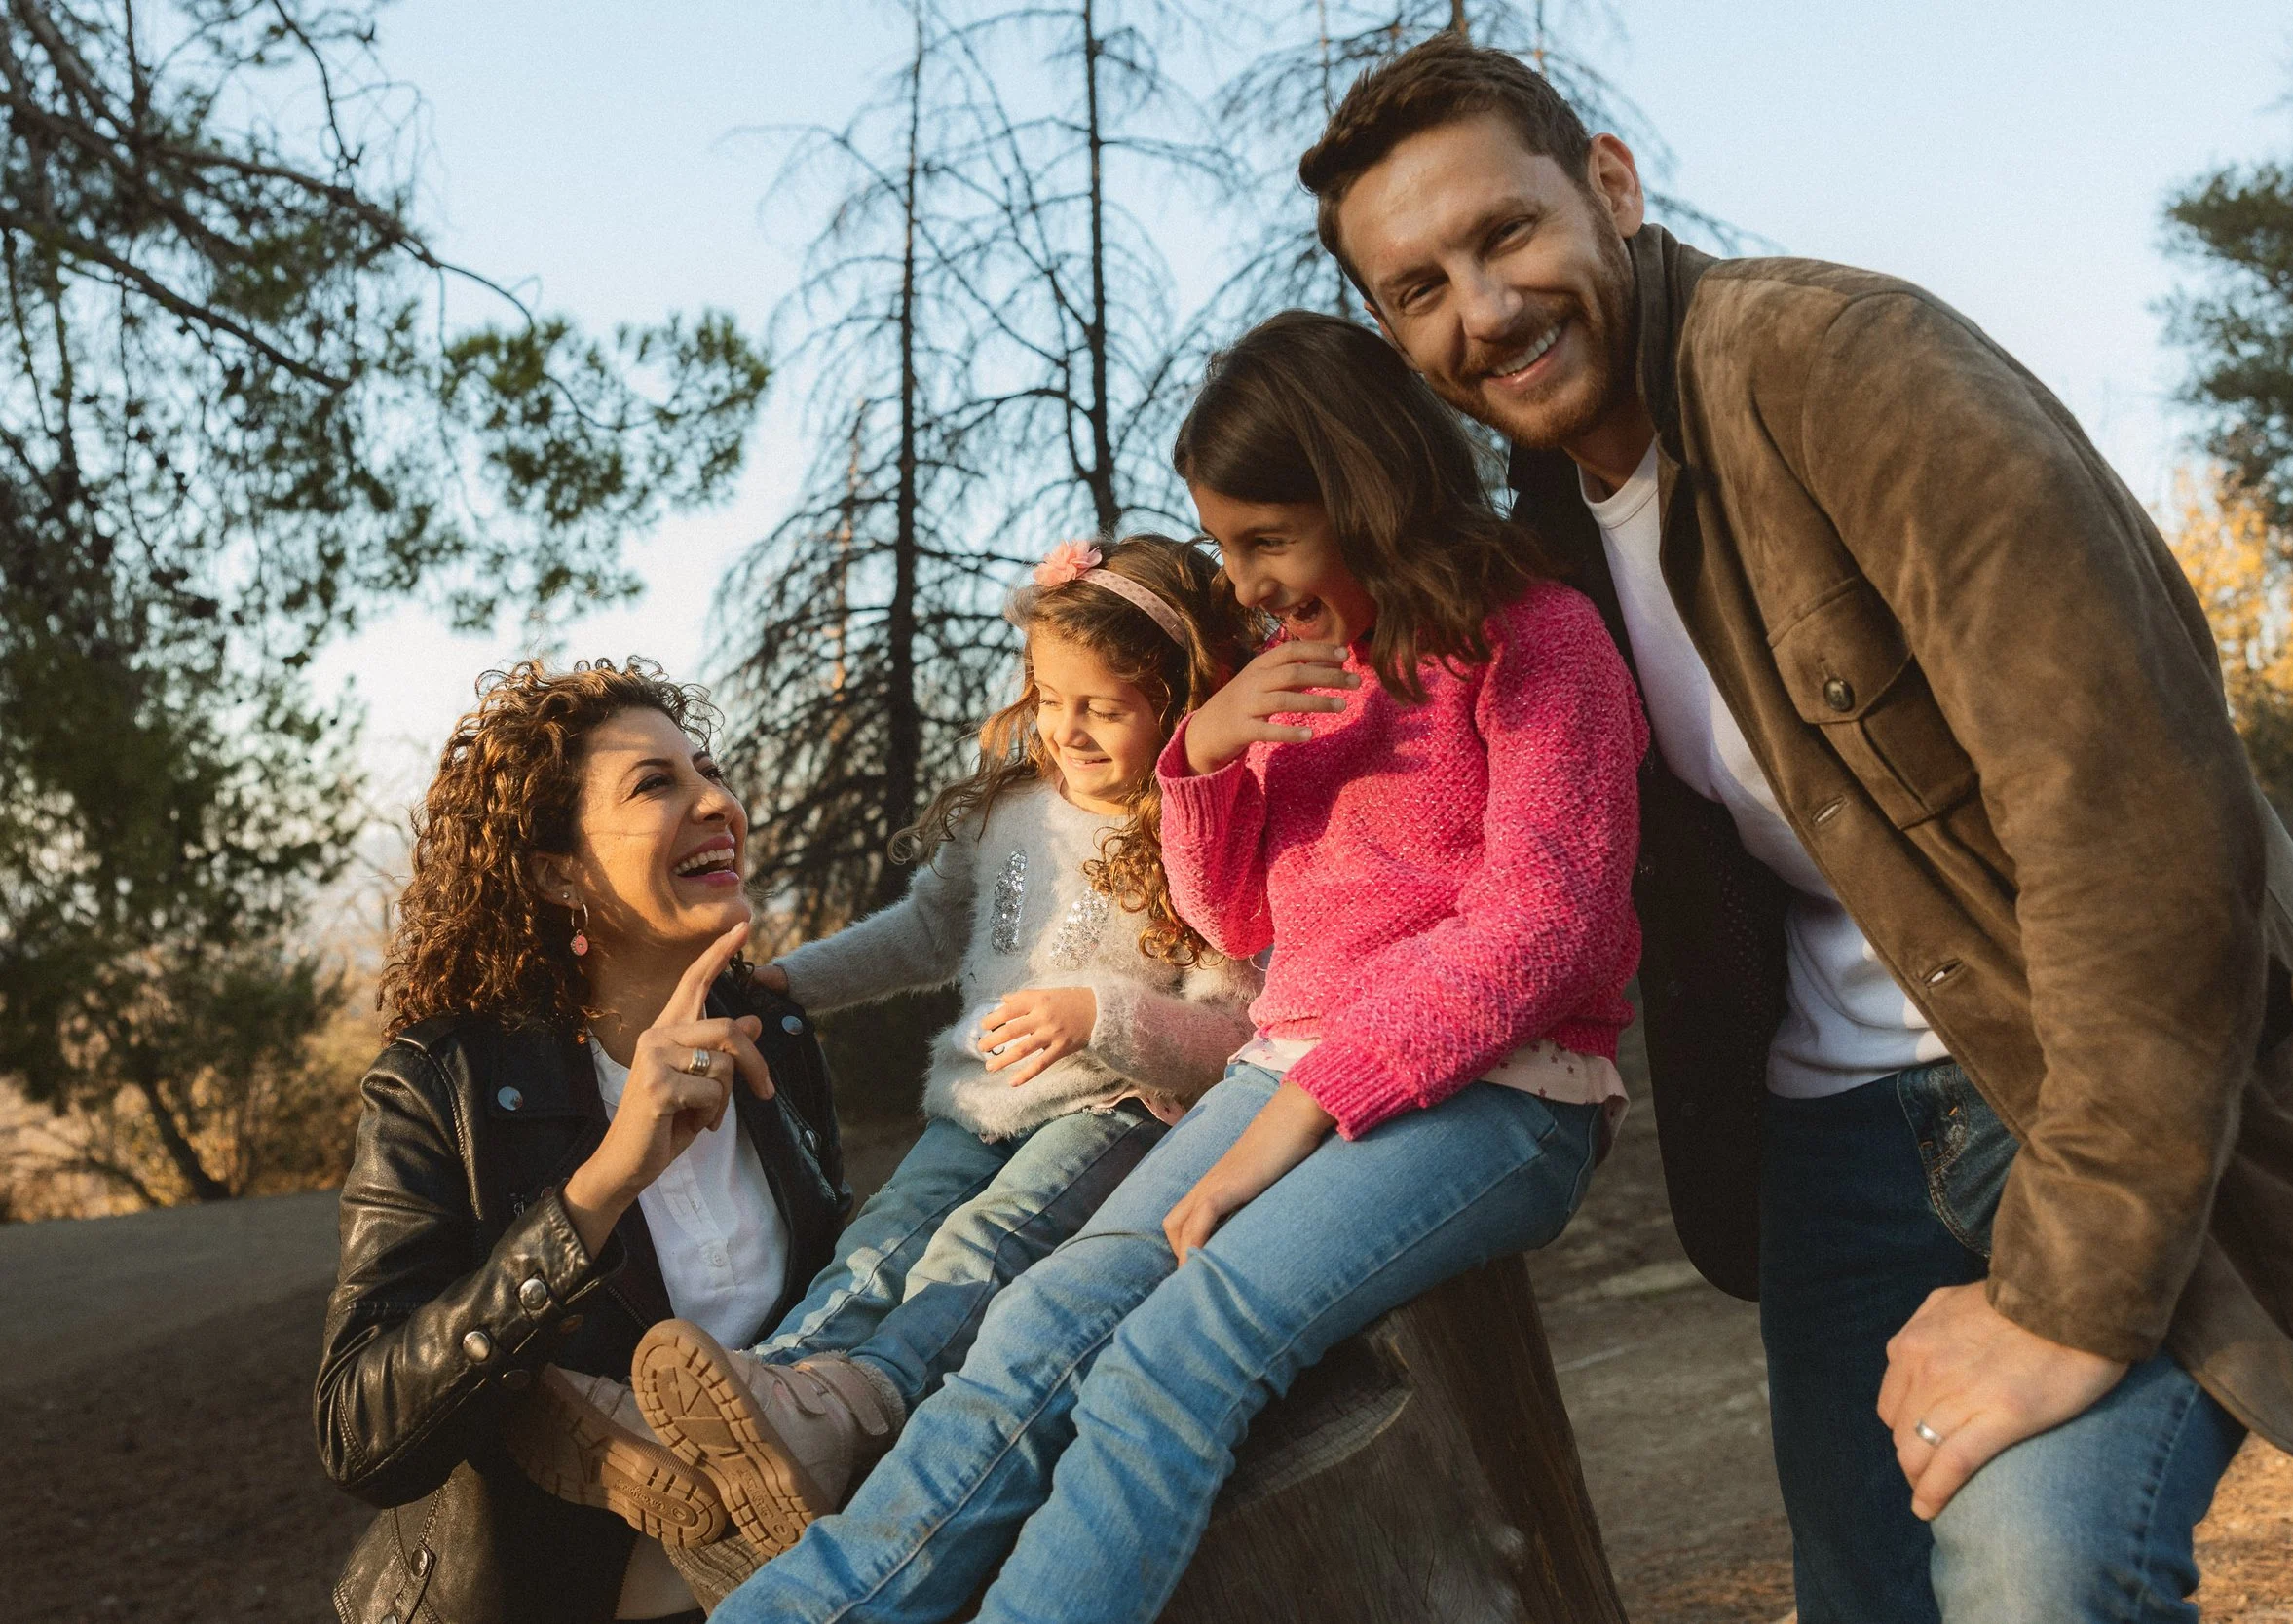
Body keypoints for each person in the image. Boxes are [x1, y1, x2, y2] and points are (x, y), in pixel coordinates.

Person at [1297, 33, 2293, 1624]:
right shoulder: (1541, 544)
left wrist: (2072, 1287)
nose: (1479, 308)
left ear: (1610, 188)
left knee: (2041, 1573)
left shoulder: (1845, 370)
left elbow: (2128, 812)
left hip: (2081, 1084)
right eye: (1417, 287)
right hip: (1830, 1143)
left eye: (1504, 234)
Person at [710, 310, 1648, 1624]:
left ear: (1368, 491)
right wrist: (1201, 757)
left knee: (1172, 1355)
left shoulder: (1540, 645)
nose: (1246, 578)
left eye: (1266, 537)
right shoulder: (1290, 669)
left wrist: (1317, 1098)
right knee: (1036, 1326)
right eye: (1223, 543)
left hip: (1496, 1088)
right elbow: (1233, 919)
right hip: (1283, 1073)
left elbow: (1545, 924)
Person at [591, 534, 1261, 1565]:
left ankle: (851, 1411)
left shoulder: (1191, 829)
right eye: (1049, 697)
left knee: (974, 1248)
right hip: (978, 1098)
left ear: (1173, 701)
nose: (1066, 728)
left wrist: (1101, 1016)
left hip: (1111, 1110)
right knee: (888, 1230)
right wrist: (793, 980)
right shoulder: (1010, 815)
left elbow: (1232, 1037)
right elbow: (925, 932)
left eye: (1104, 706)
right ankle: (768, 1392)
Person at [317, 660, 852, 1624]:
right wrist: (604, 1182)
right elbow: (359, 1429)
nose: (717, 801)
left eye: (708, 770)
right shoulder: (446, 1082)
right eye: (658, 784)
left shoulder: (777, 1037)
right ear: (557, 869)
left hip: (778, 1579)